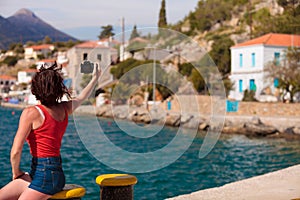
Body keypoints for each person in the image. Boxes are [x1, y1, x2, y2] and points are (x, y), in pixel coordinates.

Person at [0, 62, 100, 200]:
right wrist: (95, 78)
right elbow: (81, 97)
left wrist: (16, 172)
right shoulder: (65, 109)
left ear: (35, 88)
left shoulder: (31, 113)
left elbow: (16, 151)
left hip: (44, 176)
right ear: (59, 88)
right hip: (48, 173)